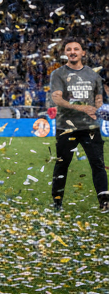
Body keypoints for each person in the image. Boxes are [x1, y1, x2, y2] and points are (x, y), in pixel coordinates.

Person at [47, 39, 106, 211]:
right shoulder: (58, 74)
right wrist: (81, 107)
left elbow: (98, 100)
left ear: (83, 53)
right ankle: (57, 202)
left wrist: (101, 110)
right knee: (62, 164)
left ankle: (105, 202)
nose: (72, 52)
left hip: (91, 127)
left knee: (98, 165)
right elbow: (57, 98)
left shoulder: (94, 76)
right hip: (66, 127)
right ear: (65, 53)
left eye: (76, 49)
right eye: (69, 49)